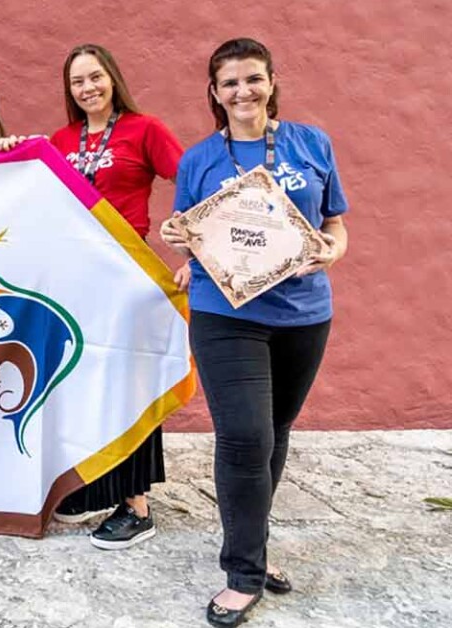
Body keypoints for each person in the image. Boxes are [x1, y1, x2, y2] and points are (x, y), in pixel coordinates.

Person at [160, 38, 348, 626]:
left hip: (303, 314)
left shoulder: (311, 143)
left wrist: (333, 251)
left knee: (275, 431)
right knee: (244, 436)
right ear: (215, 94)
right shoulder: (199, 160)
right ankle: (243, 572)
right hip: (226, 315)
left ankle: (254, 546)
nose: (243, 91)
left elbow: (335, 222)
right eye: (230, 83)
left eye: (253, 78)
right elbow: (192, 232)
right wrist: (178, 239)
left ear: (271, 82)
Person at [47, 44, 184, 551]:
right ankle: (93, 487)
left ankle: (136, 505)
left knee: (129, 382)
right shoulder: (61, 140)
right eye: (77, 81)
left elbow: (193, 180)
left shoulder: (145, 130)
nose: (88, 88)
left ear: (113, 78)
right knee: (84, 381)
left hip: (127, 275)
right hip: (78, 279)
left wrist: (193, 249)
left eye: (95, 77)